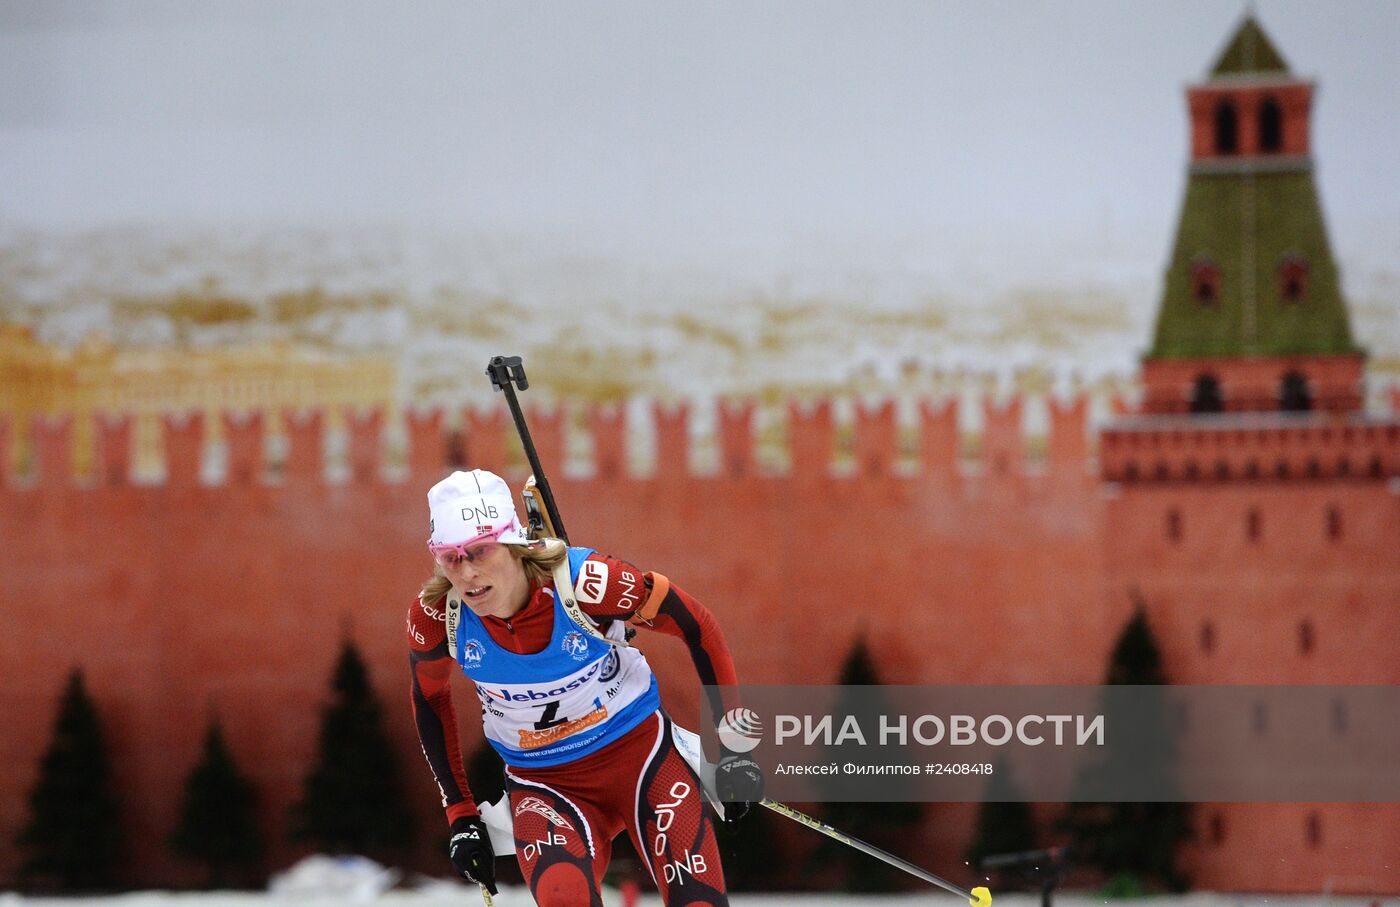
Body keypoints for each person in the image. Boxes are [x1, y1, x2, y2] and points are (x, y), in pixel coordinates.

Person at [408, 469, 762, 906]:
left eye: (480, 550)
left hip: (641, 759)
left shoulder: (584, 582)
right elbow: (429, 697)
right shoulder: (439, 617)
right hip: (543, 781)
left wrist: (733, 750)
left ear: (514, 542)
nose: (467, 573)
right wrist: (460, 812)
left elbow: (698, 625)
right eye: (450, 557)